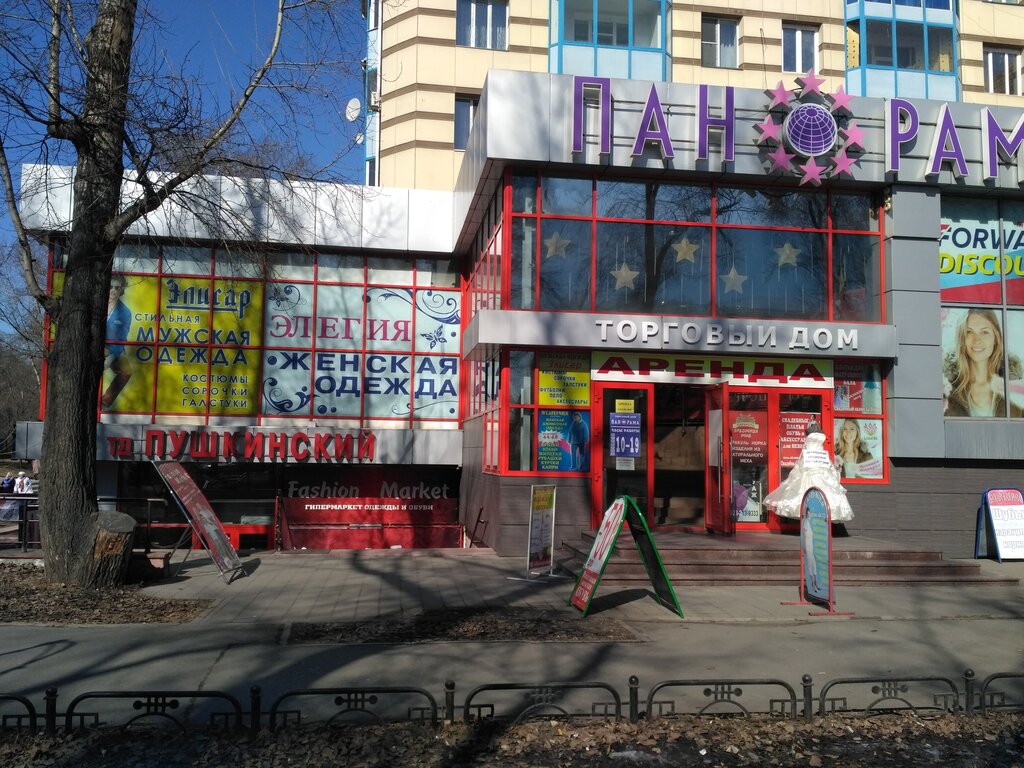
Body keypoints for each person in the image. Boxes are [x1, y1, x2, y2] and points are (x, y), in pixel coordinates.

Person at [763, 420, 853, 522]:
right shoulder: (815, 431)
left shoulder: (812, 431)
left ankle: (816, 513)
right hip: (813, 459)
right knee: (805, 485)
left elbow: (805, 447)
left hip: (818, 459)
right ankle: (810, 514)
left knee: (817, 486)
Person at [944, 308, 1024, 418]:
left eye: (984, 332)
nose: (977, 340)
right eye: (969, 332)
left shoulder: (1015, 390)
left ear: (996, 338)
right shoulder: (947, 390)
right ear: (962, 338)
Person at [101, 274, 134, 409]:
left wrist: (110, 358)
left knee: (127, 371)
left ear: (121, 290)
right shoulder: (96, 306)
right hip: (94, 346)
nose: (113, 290)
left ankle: (104, 402)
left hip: (113, 348)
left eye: (117, 288)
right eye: (110, 287)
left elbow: (121, 338)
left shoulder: (125, 312)